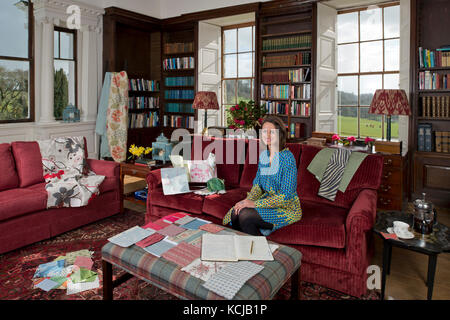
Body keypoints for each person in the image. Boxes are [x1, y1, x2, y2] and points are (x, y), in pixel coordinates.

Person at [222, 115, 302, 236]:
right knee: (236, 212)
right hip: (267, 203)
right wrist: (246, 201)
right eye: (265, 132)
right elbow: (257, 186)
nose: (268, 136)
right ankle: (241, 250)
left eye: (272, 132)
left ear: (280, 134)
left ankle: (260, 252)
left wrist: (254, 204)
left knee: (245, 216)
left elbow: (286, 197)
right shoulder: (264, 156)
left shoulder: (288, 159)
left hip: (287, 209)